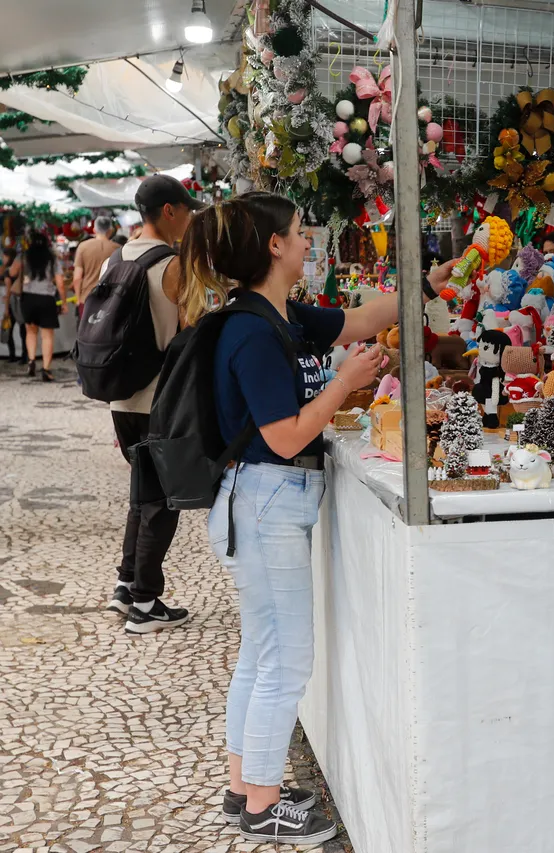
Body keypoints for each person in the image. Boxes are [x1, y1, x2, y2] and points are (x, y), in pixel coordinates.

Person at [193, 192, 457, 844]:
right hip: (267, 498)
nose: (309, 239)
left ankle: (243, 789)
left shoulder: (280, 314)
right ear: (273, 246)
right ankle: (262, 803)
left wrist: (427, 282)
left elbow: (363, 316)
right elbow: (283, 435)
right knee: (284, 659)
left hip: (268, 499)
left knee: (262, 652)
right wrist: (345, 382)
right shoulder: (251, 331)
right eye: (298, 232)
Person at [104, 175, 205, 632]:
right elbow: (195, 323)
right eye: (187, 210)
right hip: (159, 398)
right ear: (169, 211)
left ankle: (126, 585)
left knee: (141, 496)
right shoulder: (170, 264)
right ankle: (146, 603)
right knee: (163, 501)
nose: (189, 219)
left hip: (121, 399)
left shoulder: (115, 258)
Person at [14, 232, 67, 381]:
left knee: (30, 332)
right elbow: (61, 284)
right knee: (47, 336)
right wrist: (63, 303)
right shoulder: (52, 258)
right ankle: (46, 368)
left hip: (28, 298)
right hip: (46, 299)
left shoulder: (24, 257)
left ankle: (31, 361)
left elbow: (12, 271)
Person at [73, 215, 119, 314]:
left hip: (87, 298)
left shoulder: (83, 247)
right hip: (110, 299)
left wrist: (78, 299)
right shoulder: (118, 249)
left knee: (86, 329)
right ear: (110, 230)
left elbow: (77, 278)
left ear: (94, 230)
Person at [2, 247, 24, 363]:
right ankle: (25, 356)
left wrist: (6, 308)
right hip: (21, 302)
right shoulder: (20, 270)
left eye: (4, 256)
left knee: (9, 330)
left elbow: (8, 291)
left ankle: (12, 355)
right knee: (23, 329)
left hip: (12, 304)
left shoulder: (7, 272)